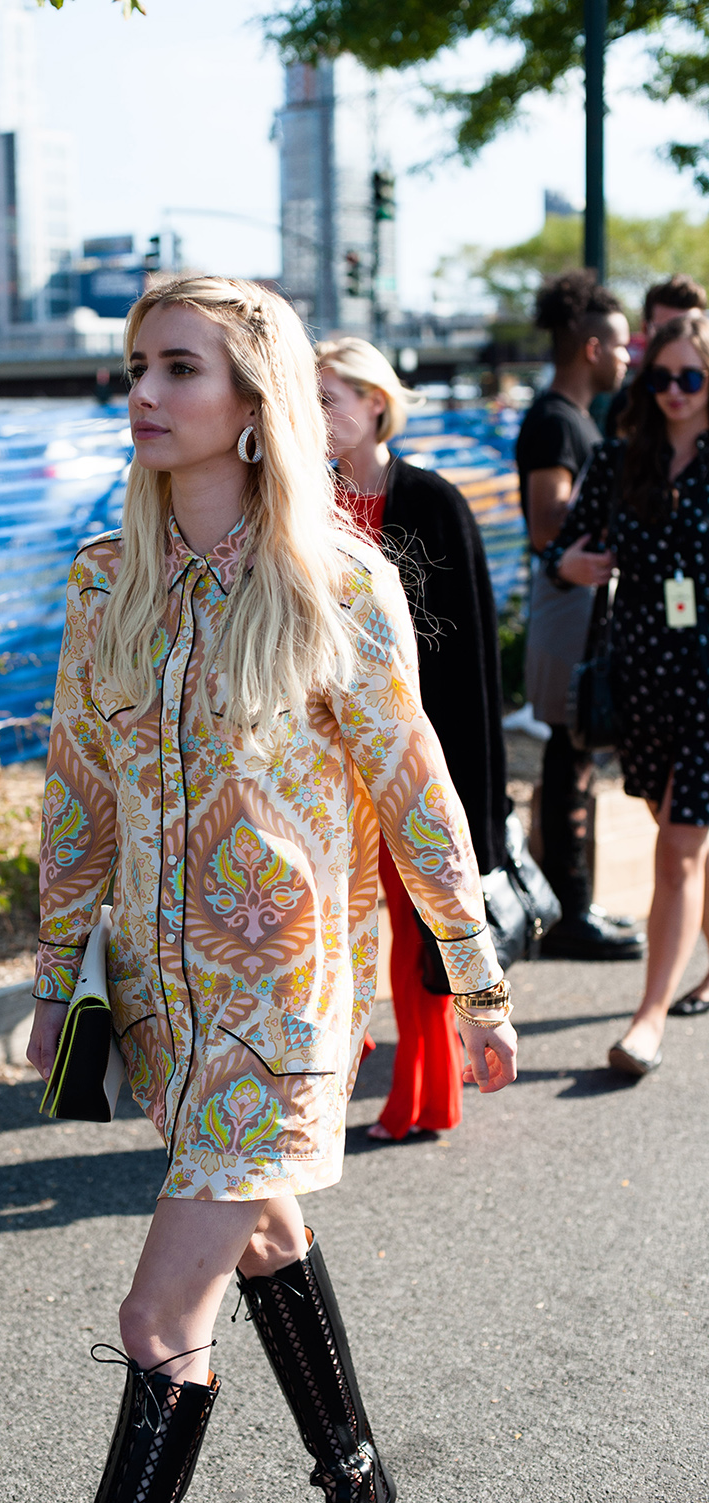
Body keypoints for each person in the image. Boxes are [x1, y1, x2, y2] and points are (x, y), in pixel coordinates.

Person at [27, 276, 517, 1503]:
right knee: (268, 1233)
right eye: (138, 365)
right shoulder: (104, 584)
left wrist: (472, 977)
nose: (142, 392)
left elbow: (415, 790)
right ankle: (359, 1483)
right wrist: (54, 982)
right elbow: (77, 801)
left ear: (254, 399)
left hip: (282, 1007)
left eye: (178, 368)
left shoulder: (337, 584)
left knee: (156, 1323)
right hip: (153, 1004)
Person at [316, 336, 508, 1144]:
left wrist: (477, 788)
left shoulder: (432, 499)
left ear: (376, 403)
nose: (317, 413)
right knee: (333, 924)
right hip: (328, 758)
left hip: (412, 745)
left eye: (330, 396)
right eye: (308, 398)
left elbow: (470, 662)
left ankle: (425, 1094)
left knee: (421, 922)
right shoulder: (300, 500)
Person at [547, 312, 709, 1074]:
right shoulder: (617, 460)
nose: (675, 391)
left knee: (678, 846)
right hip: (642, 673)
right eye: (663, 376)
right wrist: (569, 566)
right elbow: (563, 551)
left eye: (693, 377)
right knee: (681, 830)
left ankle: (647, 1020)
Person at [516, 272, 644, 961]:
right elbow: (546, 524)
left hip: (582, 603)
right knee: (569, 754)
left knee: (578, 754)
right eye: (622, 345)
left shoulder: (574, 416)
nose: (629, 357)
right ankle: (568, 911)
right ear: (591, 347)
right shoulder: (555, 420)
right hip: (568, 606)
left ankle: (577, 903)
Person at [605, 274, 707, 438]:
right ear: (645, 330)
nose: (678, 341)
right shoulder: (626, 405)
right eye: (667, 331)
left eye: (692, 329)